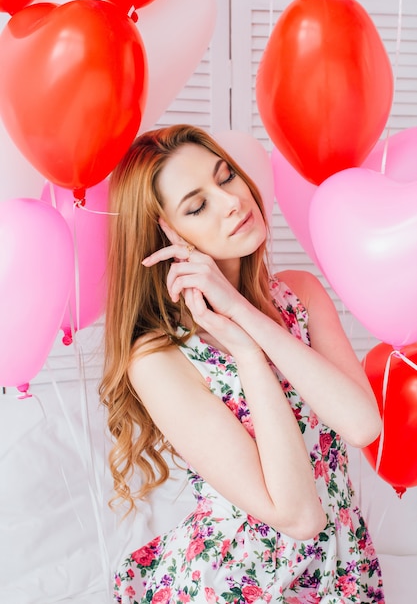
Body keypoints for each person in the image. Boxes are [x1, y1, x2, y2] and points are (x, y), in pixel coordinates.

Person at [100, 124, 385, 603]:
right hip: (244, 580)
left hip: (343, 563)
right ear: (164, 238)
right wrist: (248, 353)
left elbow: (362, 425)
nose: (232, 200)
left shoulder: (300, 294)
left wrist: (242, 313)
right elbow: (298, 515)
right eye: (197, 205)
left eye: (226, 176)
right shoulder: (158, 360)